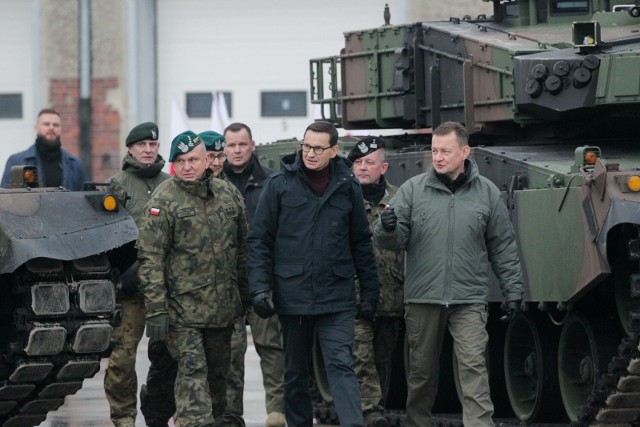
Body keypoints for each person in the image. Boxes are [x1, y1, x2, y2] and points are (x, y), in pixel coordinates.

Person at [373, 121, 524, 427]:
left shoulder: (487, 194)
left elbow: (503, 246)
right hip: (423, 299)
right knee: (421, 374)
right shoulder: (413, 190)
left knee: (474, 369)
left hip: (468, 298)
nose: (438, 157)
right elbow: (391, 239)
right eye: (434, 150)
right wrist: (387, 228)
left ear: (465, 152)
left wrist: (514, 291)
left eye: (445, 151)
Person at [248, 121, 379, 427]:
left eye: (318, 148)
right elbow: (260, 240)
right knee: (295, 372)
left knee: (341, 365)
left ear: (334, 151)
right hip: (293, 295)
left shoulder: (348, 187)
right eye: (306, 146)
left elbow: (361, 241)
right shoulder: (279, 185)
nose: (310, 153)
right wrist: (259, 288)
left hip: (337, 295)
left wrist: (370, 292)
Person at [137, 131, 249, 427]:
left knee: (217, 386)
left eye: (193, 160)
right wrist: (157, 309)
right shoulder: (164, 200)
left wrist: (247, 297)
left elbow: (243, 250)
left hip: (222, 312)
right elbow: (151, 258)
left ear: (207, 161)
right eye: (180, 161)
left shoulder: (228, 194)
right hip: (181, 314)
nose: (187, 166)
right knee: (192, 377)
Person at [103, 122, 171, 427]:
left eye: (152, 145)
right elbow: (104, 239)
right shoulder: (116, 186)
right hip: (130, 289)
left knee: (170, 357)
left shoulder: (171, 184)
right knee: (122, 359)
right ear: (130, 148)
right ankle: (123, 418)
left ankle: (159, 413)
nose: (147, 150)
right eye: (141, 145)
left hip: (166, 289)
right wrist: (120, 275)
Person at [220, 122, 285, 427]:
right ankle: (232, 415)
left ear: (253, 146)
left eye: (242, 144)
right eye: (231, 145)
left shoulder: (273, 182)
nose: (236, 150)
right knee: (232, 351)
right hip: (226, 282)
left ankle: (276, 410)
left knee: (271, 346)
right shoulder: (214, 185)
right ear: (224, 148)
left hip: (264, 279)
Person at [347, 136, 404, 427]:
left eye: (369, 162)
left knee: (382, 361)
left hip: (391, 295)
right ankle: (371, 416)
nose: (362, 168)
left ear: (383, 167)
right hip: (354, 296)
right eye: (357, 163)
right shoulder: (343, 199)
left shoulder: (399, 200)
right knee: (361, 359)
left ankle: (375, 409)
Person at [1, 108, 85, 189]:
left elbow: (83, 198)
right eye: (46, 124)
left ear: (61, 129)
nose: (51, 127)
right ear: (36, 128)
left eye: (56, 125)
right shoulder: (17, 162)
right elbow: (5, 199)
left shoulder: (74, 164)